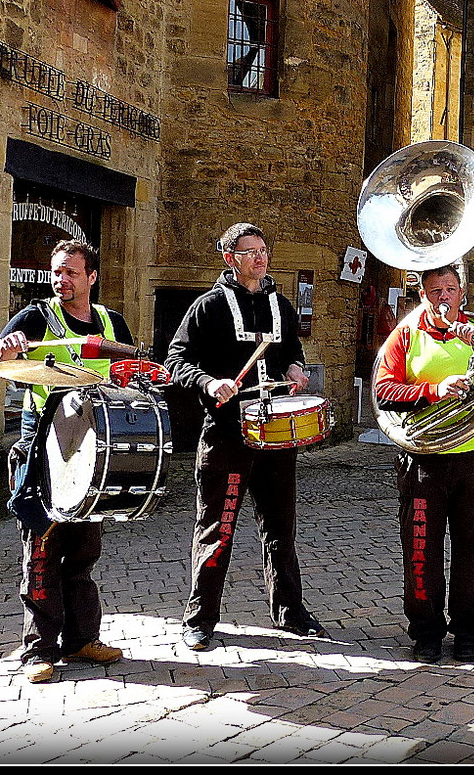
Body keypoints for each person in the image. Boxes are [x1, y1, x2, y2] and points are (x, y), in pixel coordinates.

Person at [0, 238, 131, 684]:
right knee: (42, 548)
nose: (61, 280)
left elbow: (127, 377)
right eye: (57, 272)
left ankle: (82, 639)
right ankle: (37, 651)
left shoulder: (110, 322)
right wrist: (4, 350)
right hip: (43, 444)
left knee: (84, 550)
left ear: (92, 278)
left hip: (90, 447)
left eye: (71, 273)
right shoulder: (35, 317)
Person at [166, 222, 326, 651]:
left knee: (280, 526)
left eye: (263, 250)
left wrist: (295, 368)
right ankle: (199, 618)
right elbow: (176, 361)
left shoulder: (282, 305)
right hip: (227, 436)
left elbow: (291, 350)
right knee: (217, 528)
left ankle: (291, 613)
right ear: (229, 258)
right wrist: (207, 382)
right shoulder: (208, 307)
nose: (261, 257)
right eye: (250, 251)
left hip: (274, 434)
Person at [372, 262, 474, 663]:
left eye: (450, 289)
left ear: (462, 293)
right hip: (422, 459)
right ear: (423, 295)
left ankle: (468, 632)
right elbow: (383, 391)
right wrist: (434, 390)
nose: (442, 297)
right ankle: (426, 631)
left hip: (473, 459)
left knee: (472, 549)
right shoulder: (406, 334)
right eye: (434, 290)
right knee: (421, 550)